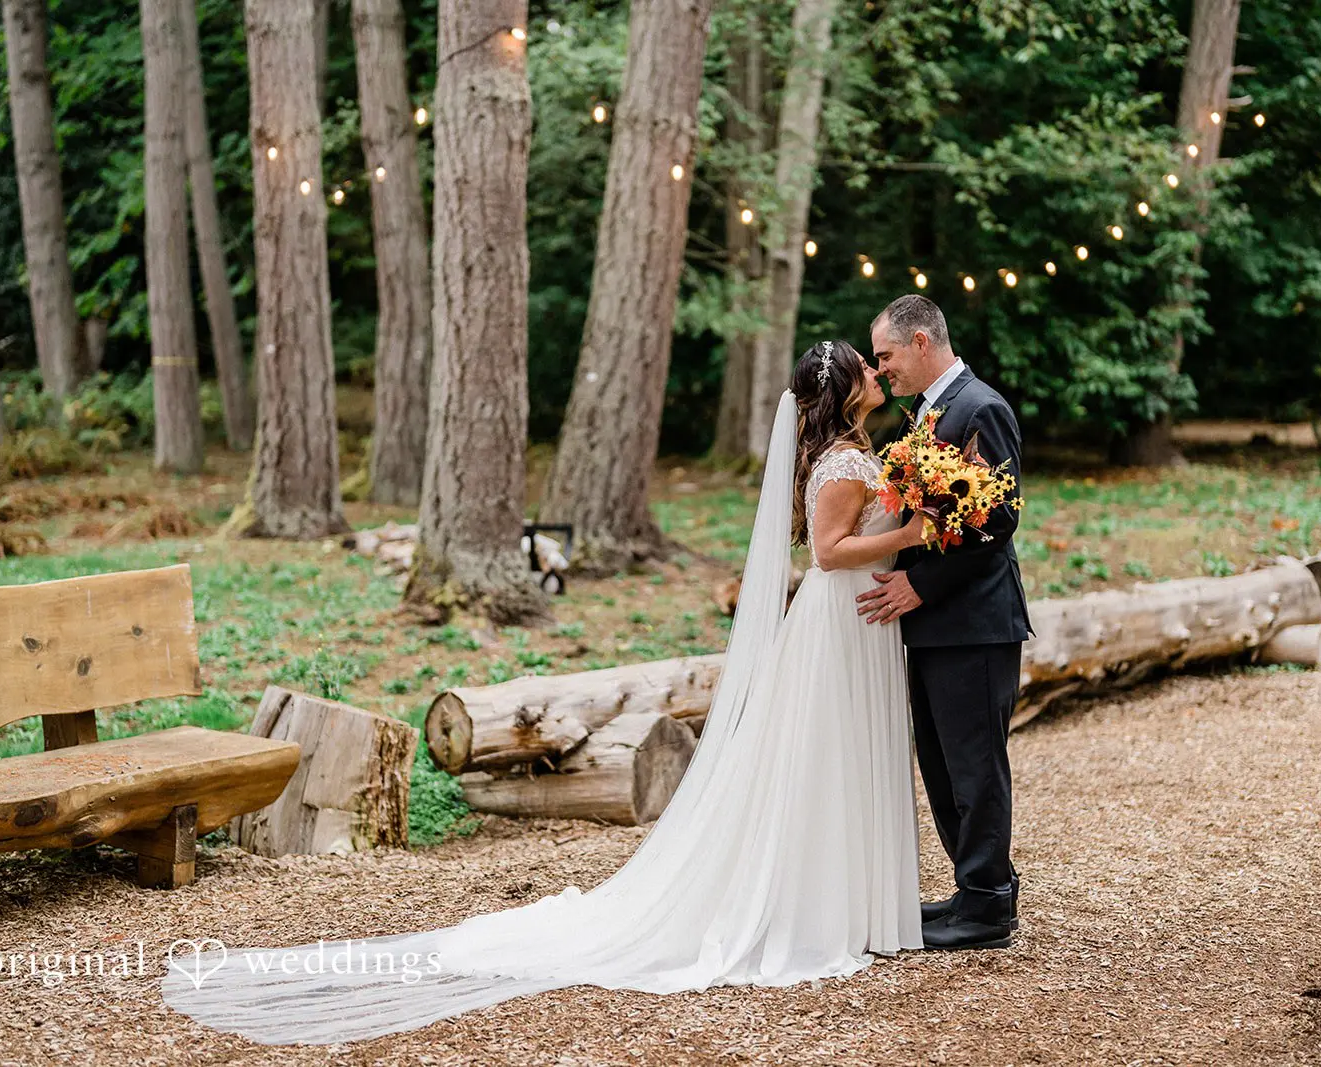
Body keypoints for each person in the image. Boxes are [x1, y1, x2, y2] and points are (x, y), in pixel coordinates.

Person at [161, 340, 928, 1045]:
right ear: (842, 389)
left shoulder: (855, 452)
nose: (875, 371)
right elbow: (829, 553)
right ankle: (812, 905)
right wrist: (911, 533)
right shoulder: (835, 463)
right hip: (837, 621)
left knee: (837, 760)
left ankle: (844, 898)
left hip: (858, 624)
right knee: (820, 759)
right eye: (867, 365)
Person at [856, 294, 1033, 951]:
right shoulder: (927, 412)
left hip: (975, 624)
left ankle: (988, 906)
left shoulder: (980, 407)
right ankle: (974, 886)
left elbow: (997, 518)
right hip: (936, 626)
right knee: (940, 764)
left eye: (888, 355)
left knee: (974, 765)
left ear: (924, 340)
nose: (882, 369)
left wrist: (920, 583)